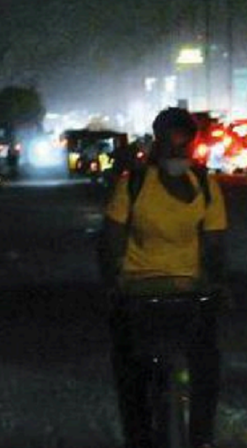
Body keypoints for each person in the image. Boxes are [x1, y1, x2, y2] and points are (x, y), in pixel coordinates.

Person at [103, 107, 228, 448]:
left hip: (159, 295)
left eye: (182, 147)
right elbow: (214, 245)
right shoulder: (138, 183)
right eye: (173, 147)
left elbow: (112, 239)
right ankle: (194, 438)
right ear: (158, 142)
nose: (177, 153)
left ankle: (160, 438)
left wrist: (113, 282)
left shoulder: (200, 184)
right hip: (159, 294)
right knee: (200, 365)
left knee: (135, 374)